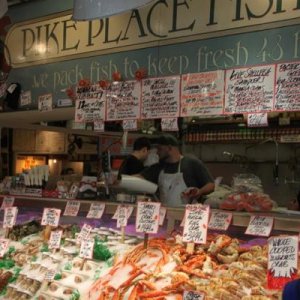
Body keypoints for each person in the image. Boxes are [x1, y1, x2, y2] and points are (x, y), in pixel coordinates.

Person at [140, 133, 215, 207]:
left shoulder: (191, 163)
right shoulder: (159, 167)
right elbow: (139, 178)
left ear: (169, 148)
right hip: (166, 215)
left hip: (188, 215)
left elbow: (211, 185)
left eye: (159, 149)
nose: (157, 152)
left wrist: (199, 192)